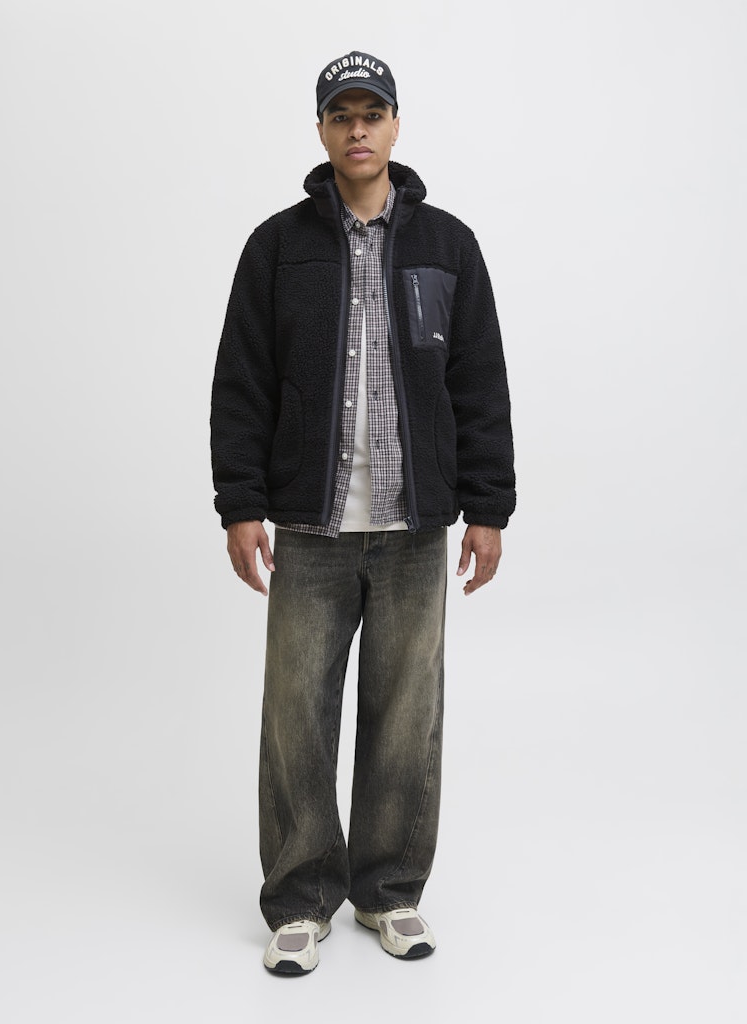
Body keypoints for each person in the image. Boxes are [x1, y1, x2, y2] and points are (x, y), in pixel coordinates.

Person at [210, 50, 516, 975]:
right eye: (340, 115)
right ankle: (300, 899)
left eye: (371, 114)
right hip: (309, 531)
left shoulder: (448, 246)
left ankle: (389, 893)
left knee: (406, 716)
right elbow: (242, 382)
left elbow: (479, 381)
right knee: (296, 718)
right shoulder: (277, 247)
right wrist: (241, 503)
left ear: (394, 125)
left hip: (415, 528)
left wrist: (488, 506)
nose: (356, 129)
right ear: (320, 130)